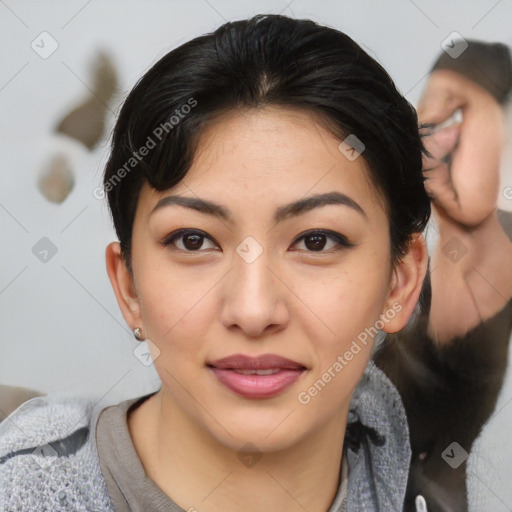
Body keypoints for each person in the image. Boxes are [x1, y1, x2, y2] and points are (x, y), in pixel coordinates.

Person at [0, 14, 511, 512]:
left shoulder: (416, 456)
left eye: (315, 241)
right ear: (128, 285)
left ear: (400, 283)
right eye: (194, 240)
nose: (253, 309)